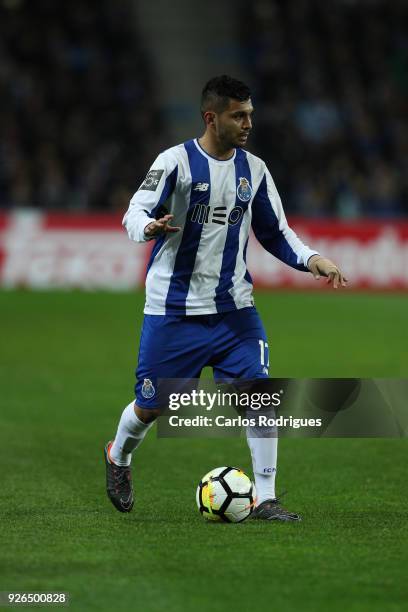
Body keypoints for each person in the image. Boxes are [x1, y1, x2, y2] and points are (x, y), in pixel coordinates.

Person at [104, 75, 347, 520]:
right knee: (151, 406)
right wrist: (149, 227)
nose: (248, 123)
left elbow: (276, 231)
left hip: (235, 309)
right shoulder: (174, 162)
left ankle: (265, 498)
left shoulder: (253, 170)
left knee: (258, 395)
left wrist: (312, 259)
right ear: (211, 117)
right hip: (174, 310)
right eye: (239, 115)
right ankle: (119, 456)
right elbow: (134, 211)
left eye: (250, 114)